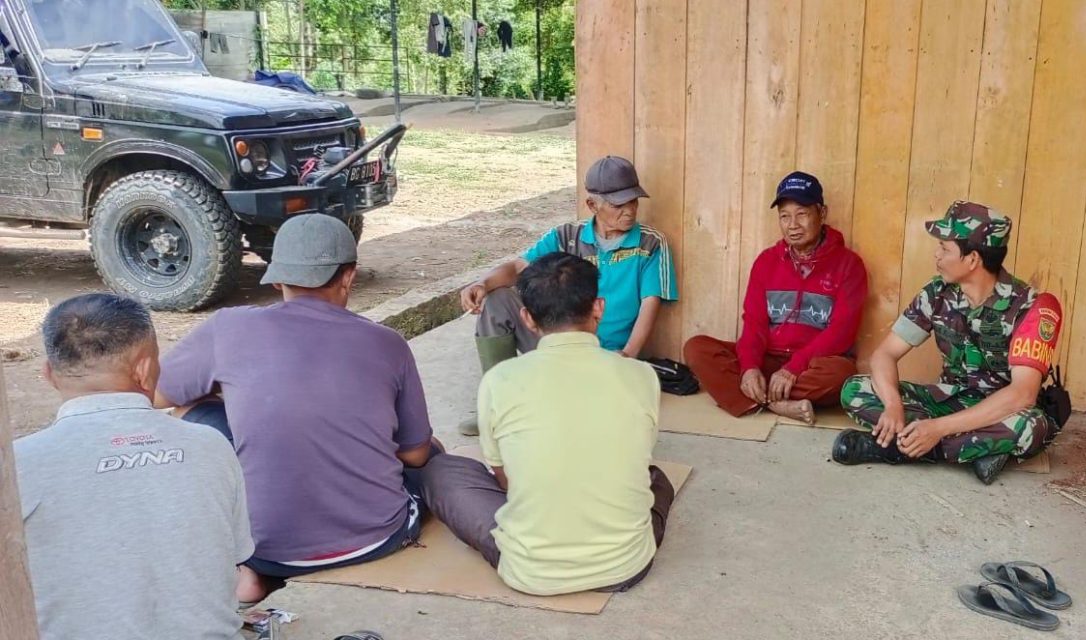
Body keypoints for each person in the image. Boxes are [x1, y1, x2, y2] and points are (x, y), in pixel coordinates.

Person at [155, 214, 441, 603]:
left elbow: (158, 396)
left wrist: (239, 400)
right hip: (377, 539)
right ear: (349, 277)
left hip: (267, 550)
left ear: (276, 278)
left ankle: (248, 569)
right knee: (433, 451)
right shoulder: (387, 343)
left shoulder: (228, 328)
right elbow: (415, 454)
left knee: (189, 413)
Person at [425, 252, 675, 596]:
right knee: (655, 479)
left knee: (441, 473)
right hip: (626, 567)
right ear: (599, 308)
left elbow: (506, 481)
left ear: (527, 318)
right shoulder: (641, 375)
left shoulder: (499, 380)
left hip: (532, 571)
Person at [14, 293, 252, 639]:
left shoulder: (19, 464)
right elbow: (235, 556)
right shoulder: (211, 445)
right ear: (144, 369)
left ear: (49, 374)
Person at [831, 201, 1063, 484]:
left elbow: (1022, 395)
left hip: (997, 411)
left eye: (944, 248)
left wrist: (938, 430)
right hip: (947, 399)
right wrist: (893, 406)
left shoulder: (1031, 307)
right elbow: (884, 355)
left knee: (1032, 427)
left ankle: (894, 449)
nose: (936, 255)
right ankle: (975, 450)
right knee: (855, 389)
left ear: (973, 259)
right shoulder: (937, 293)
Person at [455, 155, 678, 434]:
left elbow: (650, 303)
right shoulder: (566, 236)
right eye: (618, 204)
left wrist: (628, 356)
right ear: (592, 205)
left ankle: (545, 399)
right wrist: (482, 283)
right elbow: (517, 267)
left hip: (605, 358)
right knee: (498, 298)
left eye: (633, 201)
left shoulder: (650, 243)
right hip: (554, 344)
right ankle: (496, 406)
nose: (629, 211)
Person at [684, 171, 868, 424]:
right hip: (769, 360)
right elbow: (755, 323)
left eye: (802, 214)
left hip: (811, 365)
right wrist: (749, 368)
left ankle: (754, 398)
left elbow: (842, 332)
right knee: (697, 349)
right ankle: (778, 404)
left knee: (841, 374)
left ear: (822, 213)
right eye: (784, 216)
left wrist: (793, 369)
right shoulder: (766, 262)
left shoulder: (849, 265)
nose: (793, 225)